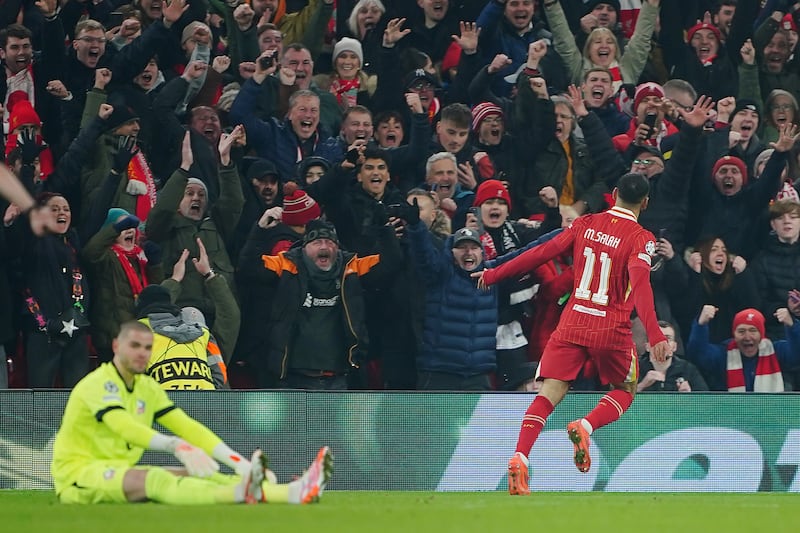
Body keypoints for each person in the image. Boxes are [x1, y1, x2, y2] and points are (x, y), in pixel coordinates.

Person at [474, 172, 671, 495]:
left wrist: (495, 273)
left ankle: (520, 456)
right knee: (625, 390)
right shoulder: (641, 238)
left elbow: (539, 253)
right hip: (611, 329)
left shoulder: (585, 223)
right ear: (645, 203)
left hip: (573, 322)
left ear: (615, 193)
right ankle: (586, 425)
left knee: (548, 393)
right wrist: (655, 334)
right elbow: (642, 286)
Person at [50, 320, 332, 504]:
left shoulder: (146, 386)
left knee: (201, 474)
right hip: (78, 476)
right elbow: (122, 425)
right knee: (157, 479)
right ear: (115, 346)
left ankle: (292, 492)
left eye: (147, 348)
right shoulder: (98, 384)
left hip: (118, 469)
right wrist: (175, 446)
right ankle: (240, 492)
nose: (141, 353)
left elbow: (186, 425)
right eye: (134, 346)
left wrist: (238, 462)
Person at [687, 306, 800, 392]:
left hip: (772, 416)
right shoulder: (723, 353)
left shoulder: (776, 351)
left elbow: (796, 354)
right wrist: (701, 325)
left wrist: (792, 326)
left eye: (753, 330)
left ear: (761, 334)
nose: (747, 337)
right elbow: (697, 355)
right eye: (741, 331)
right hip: (731, 417)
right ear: (734, 334)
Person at [637, 320, 708, 392]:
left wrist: (688, 396)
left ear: (674, 347)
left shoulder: (688, 370)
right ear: (647, 347)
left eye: (668, 339)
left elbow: (706, 401)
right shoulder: (634, 370)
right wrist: (642, 385)